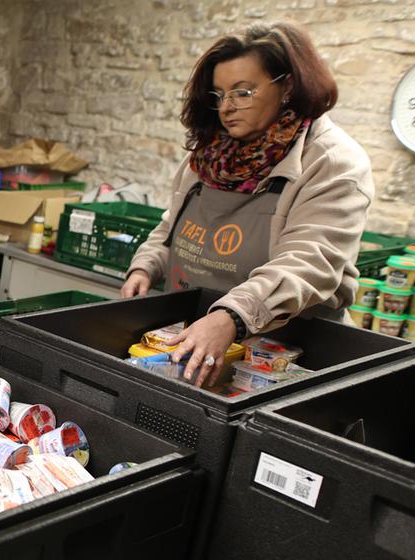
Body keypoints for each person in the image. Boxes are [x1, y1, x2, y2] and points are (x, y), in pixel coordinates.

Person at [121, 22, 372, 388]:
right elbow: (171, 226)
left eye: (243, 92)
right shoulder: (211, 154)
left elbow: (309, 263)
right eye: (219, 94)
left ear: (287, 86)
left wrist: (231, 317)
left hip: (281, 360)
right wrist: (144, 267)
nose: (227, 107)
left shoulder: (332, 162)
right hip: (196, 340)